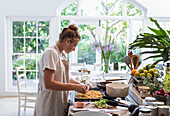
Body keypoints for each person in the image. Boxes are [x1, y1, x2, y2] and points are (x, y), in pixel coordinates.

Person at [34, 24, 89, 116]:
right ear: (68, 41)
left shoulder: (62, 54)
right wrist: (74, 87)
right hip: (49, 102)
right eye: (74, 45)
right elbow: (48, 83)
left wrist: (79, 85)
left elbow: (65, 78)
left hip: (58, 99)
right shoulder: (51, 53)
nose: (74, 49)